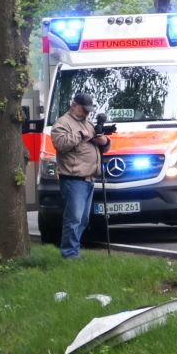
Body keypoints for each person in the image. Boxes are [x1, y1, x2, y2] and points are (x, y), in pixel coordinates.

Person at [49, 91, 111, 260]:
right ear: (74, 105)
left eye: (88, 110)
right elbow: (60, 144)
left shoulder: (88, 124)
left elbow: (103, 148)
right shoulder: (62, 123)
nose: (86, 113)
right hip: (73, 179)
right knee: (74, 218)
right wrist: (80, 135)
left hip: (89, 178)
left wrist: (103, 140)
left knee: (83, 219)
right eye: (84, 109)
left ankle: (73, 251)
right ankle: (69, 254)